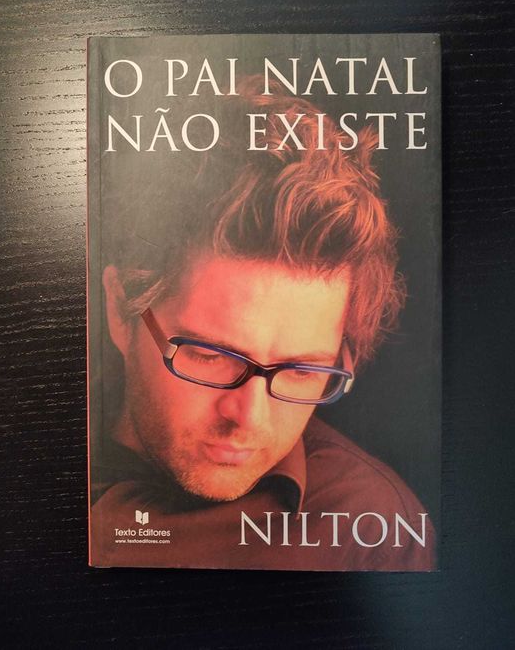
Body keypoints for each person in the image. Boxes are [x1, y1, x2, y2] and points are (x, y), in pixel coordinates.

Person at [90, 79, 435, 570]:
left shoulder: (374, 533)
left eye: (301, 371)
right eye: (209, 355)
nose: (249, 419)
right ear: (120, 311)